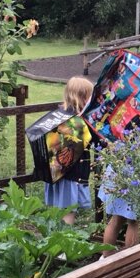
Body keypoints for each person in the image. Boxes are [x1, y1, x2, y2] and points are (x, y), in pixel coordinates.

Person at [100, 95, 140, 257]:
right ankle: (130, 262)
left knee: (116, 219)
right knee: (134, 221)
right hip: (135, 173)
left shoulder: (125, 107)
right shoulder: (139, 115)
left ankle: (106, 259)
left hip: (117, 169)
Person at [44, 77, 94, 225]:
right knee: (68, 212)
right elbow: (91, 141)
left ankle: (55, 235)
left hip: (56, 171)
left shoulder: (59, 115)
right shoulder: (78, 122)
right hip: (71, 175)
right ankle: (64, 238)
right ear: (83, 98)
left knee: (60, 211)